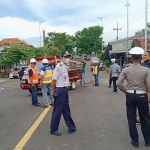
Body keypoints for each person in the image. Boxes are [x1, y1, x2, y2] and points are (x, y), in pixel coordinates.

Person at [116, 47, 150, 148]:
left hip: (130, 95)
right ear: (141, 58)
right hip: (142, 95)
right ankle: (148, 141)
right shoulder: (146, 70)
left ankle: (135, 142)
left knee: (131, 119)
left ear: (131, 57)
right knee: (145, 119)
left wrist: (125, 91)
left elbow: (118, 83)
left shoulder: (126, 69)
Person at [50, 51, 76, 136]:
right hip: (60, 90)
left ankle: (71, 127)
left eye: (68, 57)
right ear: (61, 57)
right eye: (65, 57)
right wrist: (54, 90)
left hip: (64, 90)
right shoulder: (59, 67)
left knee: (66, 110)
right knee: (57, 111)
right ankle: (53, 129)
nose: (67, 58)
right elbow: (54, 80)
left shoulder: (65, 66)